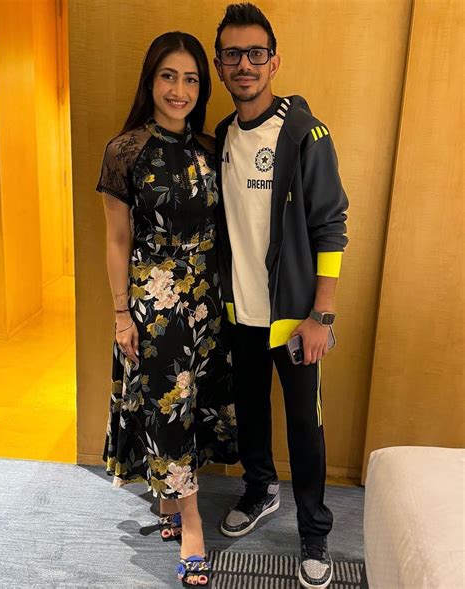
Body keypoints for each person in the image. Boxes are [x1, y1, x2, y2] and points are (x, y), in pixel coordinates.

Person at [213, 4, 349, 588]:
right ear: (219, 65)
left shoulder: (304, 134)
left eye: (256, 53)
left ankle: (314, 531)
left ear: (274, 62)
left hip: (295, 319)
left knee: (303, 426)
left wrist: (322, 315)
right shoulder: (222, 136)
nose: (245, 64)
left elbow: (331, 226)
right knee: (249, 412)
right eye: (233, 54)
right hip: (239, 313)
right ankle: (259, 488)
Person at [96, 32, 237, 587]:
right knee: (168, 408)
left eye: (191, 79)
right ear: (150, 81)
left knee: (192, 408)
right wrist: (121, 315)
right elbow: (116, 239)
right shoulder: (124, 150)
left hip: (207, 300)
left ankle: (171, 501)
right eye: (169, 76)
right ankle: (192, 523)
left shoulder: (210, 148)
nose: (180, 90)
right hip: (155, 305)